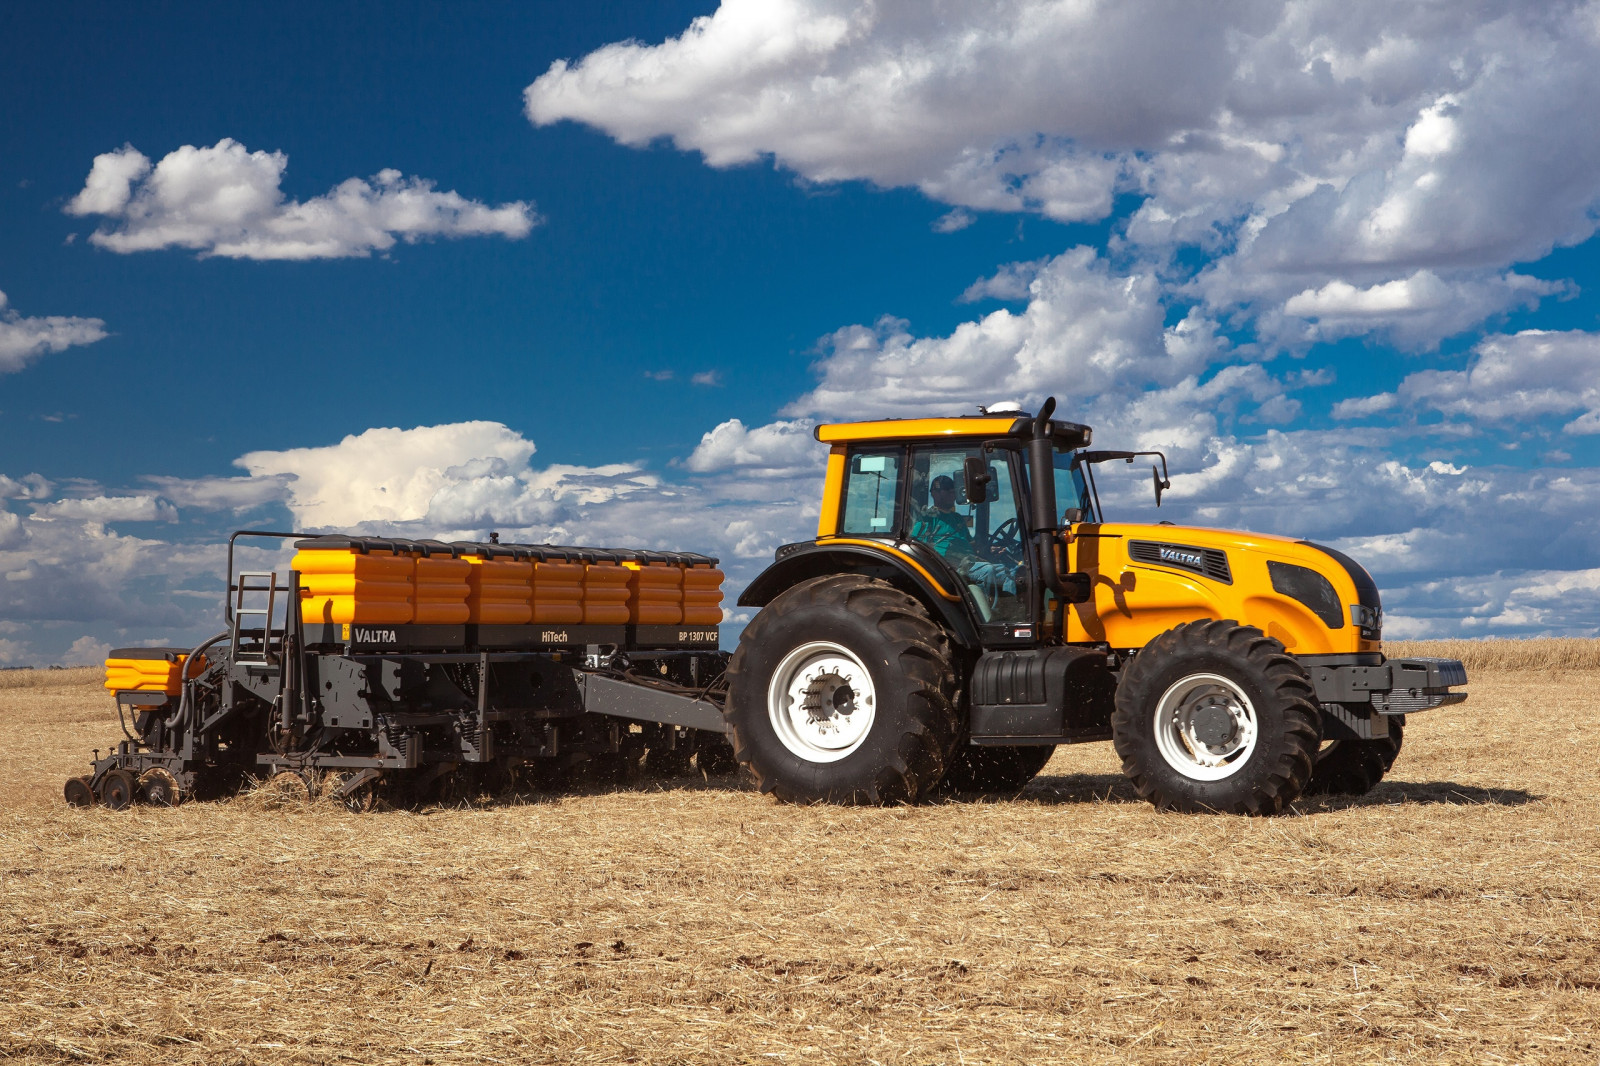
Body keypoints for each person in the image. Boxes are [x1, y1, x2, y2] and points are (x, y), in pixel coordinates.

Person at [911, 474, 1016, 598]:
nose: (952, 494)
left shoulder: (958, 519)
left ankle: (1012, 611)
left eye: (953, 491)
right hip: (949, 567)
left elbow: (972, 546)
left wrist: (990, 549)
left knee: (1011, 572)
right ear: (934, 493)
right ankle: (984, 613)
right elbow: (914, 545)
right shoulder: (928, 518)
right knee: (988, 571)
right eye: (947, 491)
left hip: (969, 561)